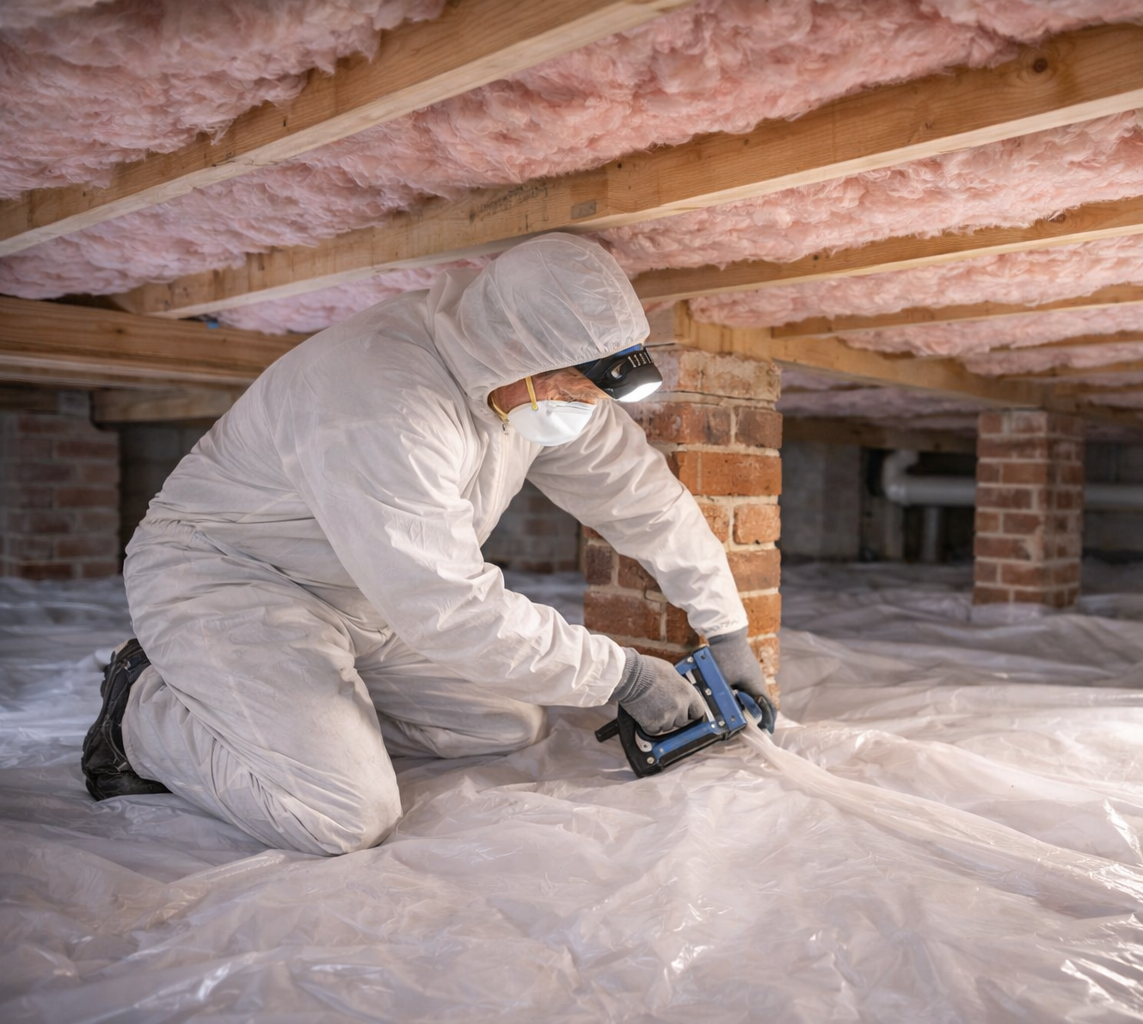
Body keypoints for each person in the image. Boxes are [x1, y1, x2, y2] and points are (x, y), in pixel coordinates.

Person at [80, 233, 772, 856]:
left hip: (368, 593)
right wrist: (623, 674)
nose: (582, 405)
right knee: (343, 813)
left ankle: (296, 709)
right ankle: (140, 709)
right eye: (571, 387)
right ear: (516, 351)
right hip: (231, 577)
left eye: (591, 390)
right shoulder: (381, 395)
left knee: (504, 723)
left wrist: (726, 626)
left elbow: (642, 499)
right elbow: (448, 607)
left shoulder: (541, 380)